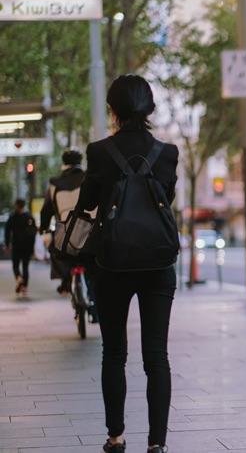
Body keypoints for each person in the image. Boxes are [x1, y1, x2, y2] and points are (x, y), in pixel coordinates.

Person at [75, 74, 178, 453]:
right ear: (149, 108)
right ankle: (157, 445)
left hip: (112, 262)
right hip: (157, 262)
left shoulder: (100, 151)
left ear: (113, 110)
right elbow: (164, 196)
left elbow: (87, 202)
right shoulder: (167, 153)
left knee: (114, 352)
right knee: (157, 356)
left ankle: (116, 437)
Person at [39, 150, 86, 295]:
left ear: (64, 163)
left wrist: (43, 228)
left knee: (57, 250)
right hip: (87, 229)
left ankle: (65, 281)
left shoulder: (54, 184)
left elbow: (46, 210)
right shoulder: (87, 178)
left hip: (64, 231)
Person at [4, 199, 37, 295]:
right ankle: (24, 287)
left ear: (17, 205)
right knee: (25, 266)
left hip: (16, 245)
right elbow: (33, 233)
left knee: (15, 265)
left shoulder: (13, 217)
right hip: (27, 246)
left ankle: (19, 278)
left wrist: (7, 244)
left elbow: (7, 231)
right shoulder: (29, 217)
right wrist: (32, 247)